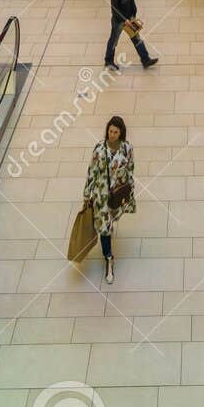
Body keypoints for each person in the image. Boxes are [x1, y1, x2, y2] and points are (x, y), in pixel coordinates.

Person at [83, 113, 137, 285]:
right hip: (101, 194)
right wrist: (87, 194)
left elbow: (130, 170)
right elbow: (92, 171)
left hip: (118, 194)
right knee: (104, 228)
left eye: (115, 132)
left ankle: (108, 238)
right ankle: (108, 258)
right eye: (110, 131)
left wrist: (130, 191)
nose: (112, 134)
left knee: (111, 221)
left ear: (121, 133)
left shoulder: (127, 148)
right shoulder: (99, 149)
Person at [104, 0, 157, 74]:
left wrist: (133, 14)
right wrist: (124, 19)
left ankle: (145, 59)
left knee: (137, 38)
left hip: (129, 18)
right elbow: (115, 8)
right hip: (118, 21)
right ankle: (108, 61)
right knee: (114, 40)